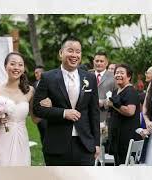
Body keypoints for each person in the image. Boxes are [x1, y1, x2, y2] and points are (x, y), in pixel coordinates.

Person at [33, 37, 100, 166]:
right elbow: (37, 109)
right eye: (70, 51)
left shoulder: (89, 78)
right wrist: (63, 113)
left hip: (85, 144)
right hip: (56, 144)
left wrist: (96, 143)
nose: (74, 55)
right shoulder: (48, 77)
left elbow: (94, 112)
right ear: (61, 53)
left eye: (78, 52)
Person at [0, 52, 39, 166]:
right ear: (5, 66)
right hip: (2, 139)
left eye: (20, 65)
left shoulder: (30, 91)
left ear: (24, 68)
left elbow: (35, 119)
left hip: (21, 139)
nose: (16, 68)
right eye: (13, 64)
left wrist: (49, 107)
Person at [105, 64, 141, 165]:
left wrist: (113, 105)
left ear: (128, 76)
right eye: (116, 73)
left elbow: (130, 111)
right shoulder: (116, 91)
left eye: (122, 73)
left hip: (126, 138)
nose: (118, 75)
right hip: (117, 138)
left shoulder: (130, 91)